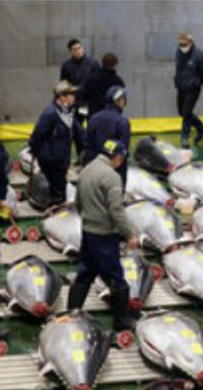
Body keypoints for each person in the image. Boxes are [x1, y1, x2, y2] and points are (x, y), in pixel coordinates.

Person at [67, 139, 139, 347]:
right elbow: (116, 210)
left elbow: (78, 203)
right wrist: (129, 234)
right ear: (117, 157)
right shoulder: (111, 177)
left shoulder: (87, 170)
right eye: (121, 158)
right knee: (116, 279)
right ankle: (121, 321)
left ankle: (72, 313)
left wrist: (89, 220)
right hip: (105, 236)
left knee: (85, 273)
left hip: (88, 232)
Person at [29, 81, 84, 207]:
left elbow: (79, 133)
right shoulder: (50, 114)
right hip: (51, 163)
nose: (74, 97)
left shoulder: (68, 113)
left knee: (60, 194)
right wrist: (41, 155)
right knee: (56, 196)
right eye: (71, 94)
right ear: (62, 97)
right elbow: (37, 137)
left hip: (61, 161)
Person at [83, 86, 131, 186]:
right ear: (119, 100)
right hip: (115, 173)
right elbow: (123, 152)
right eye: (123, 100)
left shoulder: (93, 119)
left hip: (93, 170)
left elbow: (87, 146)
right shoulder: (122, 122)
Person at [174, 33, 203, 148]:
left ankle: (184, 137)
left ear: (190, 43)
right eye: (181, 45)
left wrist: (196, 83)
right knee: (182, 112)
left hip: (193, 89)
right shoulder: (178, 53)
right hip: (181, 87)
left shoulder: (199, 55)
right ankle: (202, 129)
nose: (182, 47)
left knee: (186, 112)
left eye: (184, 45)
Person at [60, 38, 100, 123]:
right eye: (75, 49)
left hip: (90, 102)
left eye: (79, 48)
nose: (78, 51)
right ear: (71, 51)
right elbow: (64, 84)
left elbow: (98, 83)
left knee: (93, 125)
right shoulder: (66, 66)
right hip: (76, 102)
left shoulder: (93, 63)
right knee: (76, 126)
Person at [81, 52, 125, 118]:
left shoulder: (92, 78)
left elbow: (84, 95)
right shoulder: (118, 82)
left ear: (102, 64)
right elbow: (121, 100)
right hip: (112, 116)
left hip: (94, 115)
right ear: (115, 65)